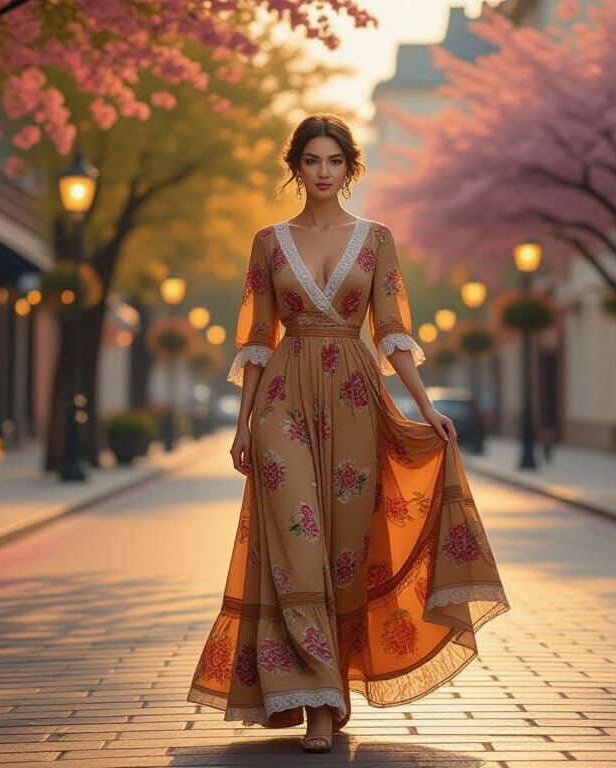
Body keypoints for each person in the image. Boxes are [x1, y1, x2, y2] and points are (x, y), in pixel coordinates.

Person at [187, 113, 509, 754]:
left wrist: (423, 407)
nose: (323, 172)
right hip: (282, 399)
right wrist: (244, 422)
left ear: (350, 167)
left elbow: (393, 333)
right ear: (296, 168)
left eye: (334, 161)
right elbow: (256, 339)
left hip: (357, 398)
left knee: (341, 556)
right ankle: (319, 703)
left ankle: (327, 685)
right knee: (298, 546)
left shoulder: (377, 239)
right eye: (311, 161)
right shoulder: (268, 242)